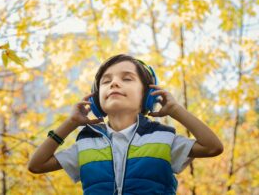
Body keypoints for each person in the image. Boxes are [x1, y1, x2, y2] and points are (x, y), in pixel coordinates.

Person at [27, 54, 224, 195]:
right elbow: (36, 165)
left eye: (127, 78)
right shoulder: (86, 144)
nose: (114, 83)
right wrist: (70, 124)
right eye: (106, 81)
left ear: (147, 96)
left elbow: (213, 146)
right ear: (96, 101)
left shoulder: (163, 139)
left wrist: (175, 110)